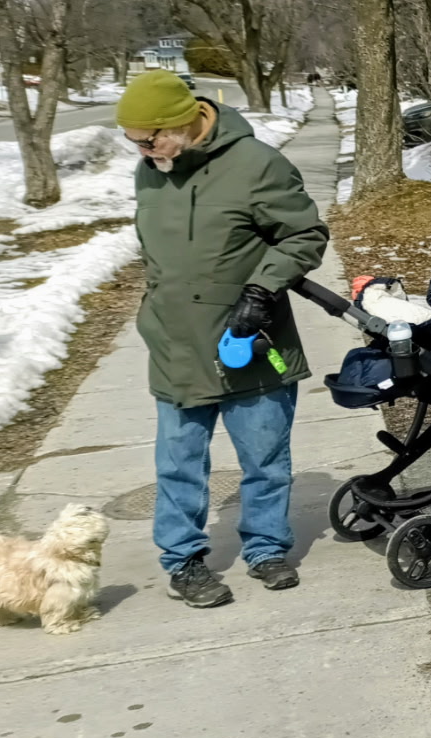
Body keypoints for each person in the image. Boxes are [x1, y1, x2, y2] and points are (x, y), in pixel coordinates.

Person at [119, 68, 327, 609]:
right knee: (179, 461)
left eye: (149, 139)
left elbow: (305, 234)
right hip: (176, 343)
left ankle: (265, 547)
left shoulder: (255, 165)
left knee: (264, 456)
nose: (143, 152)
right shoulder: (152, 170)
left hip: (249, 336)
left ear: (183, 121)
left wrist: (261, 290)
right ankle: (183, 560)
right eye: (133, 143)